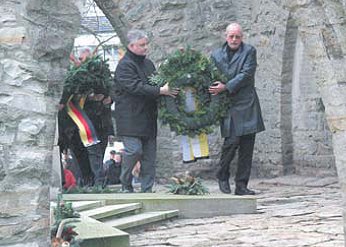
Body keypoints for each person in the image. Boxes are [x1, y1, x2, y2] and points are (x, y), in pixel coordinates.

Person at [113, 29, 179, 193]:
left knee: (149, 157)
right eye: (142, 45)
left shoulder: (148, 64)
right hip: (130, 119)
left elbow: (156, 82)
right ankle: (125, 181)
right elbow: (135, 87)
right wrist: (160, 91)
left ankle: (147, 189)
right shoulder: (124, 65)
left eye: (146, 44)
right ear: (131, 45)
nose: (145, 48)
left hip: (148, 117)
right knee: (134, 151)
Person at [209, 23, 265, 195]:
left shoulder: (249, 51)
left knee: (247, 146)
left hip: (247, 103)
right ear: (226, 37)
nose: (234, 39)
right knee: (231, 143)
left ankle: (241, 185)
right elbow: (210, 75)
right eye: (231, 36)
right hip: (228, 105)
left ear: (242, 37)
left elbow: (247, 74)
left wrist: (226, 86)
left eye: (237, 37)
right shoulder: (216, 55)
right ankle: (222, 174)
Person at [58, 47, 114, 187]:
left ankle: (98, 181)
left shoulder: (101, 73)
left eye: (87, 59)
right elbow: (67, 95)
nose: (84, 62)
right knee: (79, 154)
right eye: (82, 59)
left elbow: (112, 89)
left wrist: (108, 97)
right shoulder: (73, 75)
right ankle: (86, 181)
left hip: (98, 122)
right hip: (75, 123)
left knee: (97, 152)